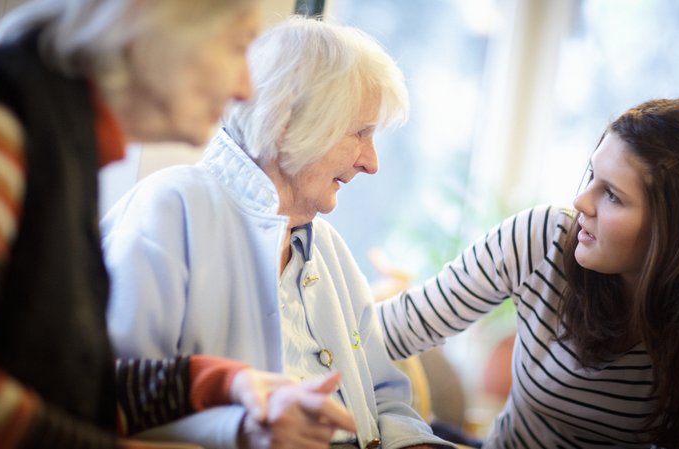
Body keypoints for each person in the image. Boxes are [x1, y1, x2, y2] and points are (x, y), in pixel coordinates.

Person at [0, 1, 354, 448]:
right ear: (151, 23)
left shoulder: (63, 151)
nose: (245, 88)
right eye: (237, 47)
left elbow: (76, 392)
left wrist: (226, 381)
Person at [101, 16, 455, 449]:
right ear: (287, 124)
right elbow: (106, 395)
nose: (371, 162)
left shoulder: (329, 248)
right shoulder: (169, 208)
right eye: (360, 133)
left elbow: (387, 399)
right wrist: (241, 432)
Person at [377, 98, 679, 448]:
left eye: (612, 195)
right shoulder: (542, 238)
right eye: (592, 175)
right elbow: (387, 332)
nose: (581, 201)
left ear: (676, 231)